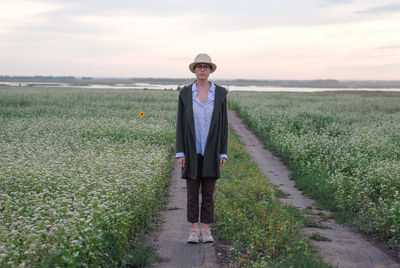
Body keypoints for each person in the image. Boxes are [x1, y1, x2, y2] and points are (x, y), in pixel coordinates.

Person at [175, 53, 228, 244]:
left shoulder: (220, 94)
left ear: (210, 70)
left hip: (211, 151)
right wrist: (180, 152)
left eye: (206, 66)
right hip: (191, 151)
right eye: (199, 66)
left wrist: (223, 152)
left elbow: (224, 126)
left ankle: (206, 229)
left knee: (208, 193)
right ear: (195, 70)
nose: (203, 69)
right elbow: (180, 124)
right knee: (191, 192)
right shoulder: (185, 93)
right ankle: (194, 229)